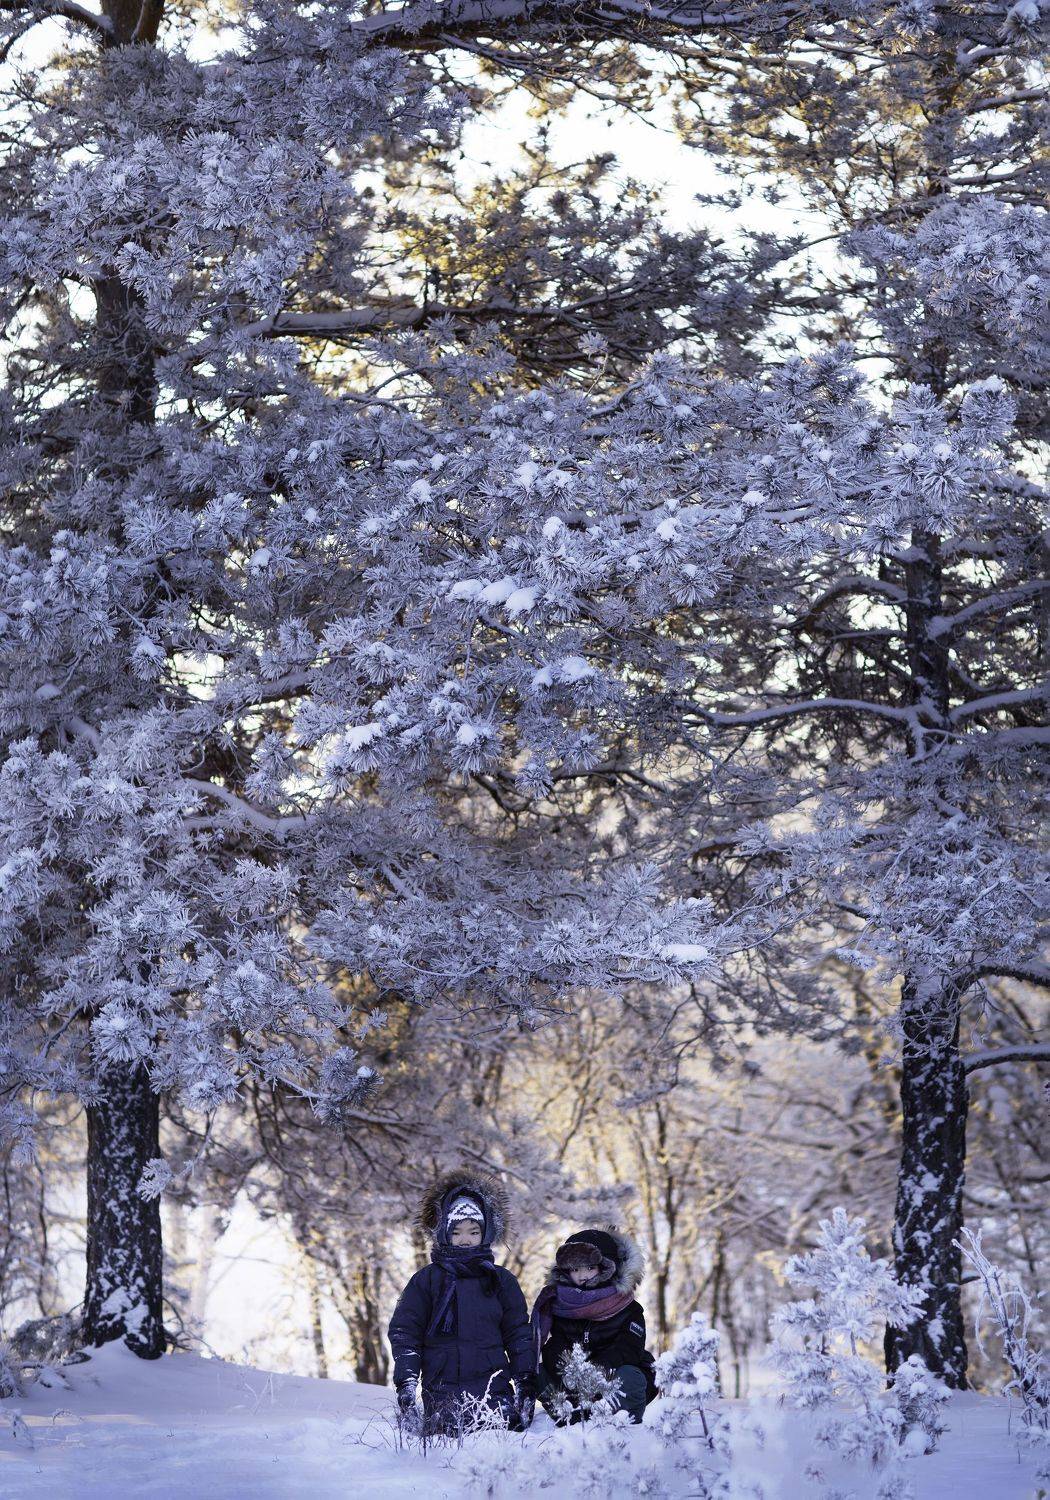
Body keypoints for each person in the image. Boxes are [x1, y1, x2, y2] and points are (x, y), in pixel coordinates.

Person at [388, 1169, 535, 1435]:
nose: (465, 1240)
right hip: (443, 1396)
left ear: (485, 1233)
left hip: (495, 1394)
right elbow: (406, 1333)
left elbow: (518, 1335)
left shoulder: (501, 1281)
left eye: (473, 1231)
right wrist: (406, 1383)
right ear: (444, 1233)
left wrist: (525, 1380)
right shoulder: (426, 1280)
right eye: (457, 1232)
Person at [532, 1227, 657, 1424]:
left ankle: (620, 1419)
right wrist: (570, 1372)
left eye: (590, 1268)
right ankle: (568, 1416)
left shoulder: (628, 1308)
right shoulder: (560, 1305)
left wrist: (594, 1372)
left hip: (611, 1380)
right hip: (573, 1382)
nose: (582, 1275)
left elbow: (629, 1350)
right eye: (575, 1269)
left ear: (607, 1268)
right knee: (537, 1373)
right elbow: (555, 1345)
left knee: (630, 1376)